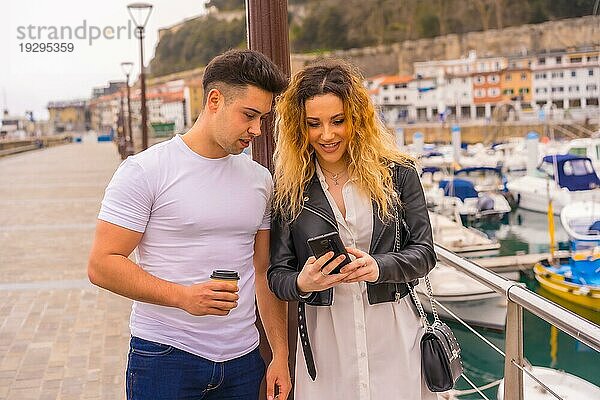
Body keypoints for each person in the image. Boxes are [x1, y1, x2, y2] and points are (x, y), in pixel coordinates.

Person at [88, 49, 291, 400]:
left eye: (263, 118)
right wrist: (183, 297)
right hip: (165, 357)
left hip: (243, 360)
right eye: (249, 115)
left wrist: (280, 355)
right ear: (215, 100)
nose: (257, 129)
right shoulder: (145, 170)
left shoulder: (260, 180)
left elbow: (263, 271)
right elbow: (102, 264)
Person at [268, 61, 437, 400]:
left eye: (338, 121)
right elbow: (277, 275)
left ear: (357, 119)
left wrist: (379, 267)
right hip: (325, 343)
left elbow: (425, 253)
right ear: (300, 128)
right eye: (313, 124)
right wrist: (303, 282)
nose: (326, 135)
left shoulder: (398, 174)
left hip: (393, 335)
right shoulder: (289, 188)